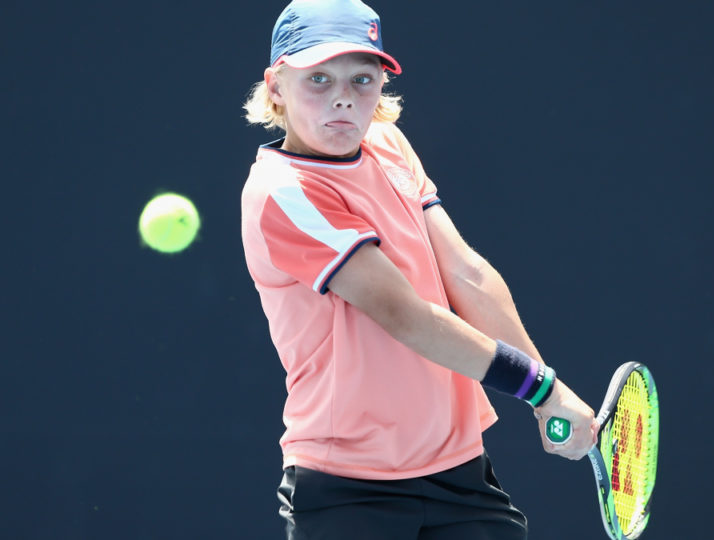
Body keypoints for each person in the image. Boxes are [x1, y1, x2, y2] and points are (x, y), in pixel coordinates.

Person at [240, 1, 598, 538]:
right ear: (275, 87)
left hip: (459, 473)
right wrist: (541, 389)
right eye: (318, 78)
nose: (343, 96)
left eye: (363, 79)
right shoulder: (283, 193)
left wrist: (549, 392)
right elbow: (407, 316)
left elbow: (466, 272)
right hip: (346, 489)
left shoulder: (387, 146)